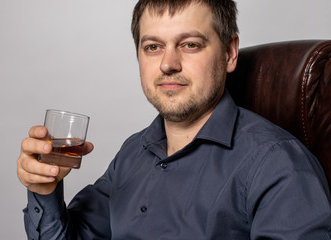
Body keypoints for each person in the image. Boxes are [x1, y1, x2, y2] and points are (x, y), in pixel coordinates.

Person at [17, 0, 331, 239]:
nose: (168, 64)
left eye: (190, 44)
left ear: (230, 53)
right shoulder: (132, 154)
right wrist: (43, 190)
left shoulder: (279, 166)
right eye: (153, 47)